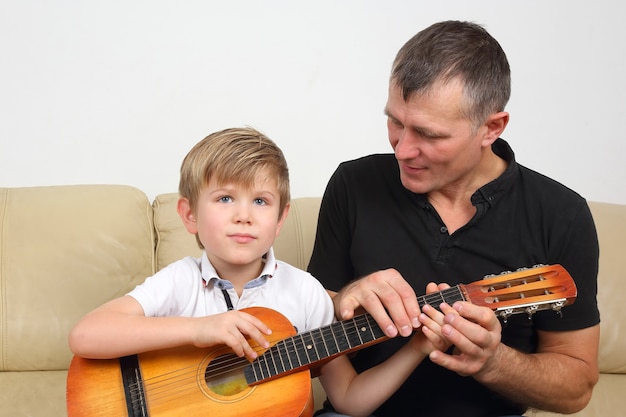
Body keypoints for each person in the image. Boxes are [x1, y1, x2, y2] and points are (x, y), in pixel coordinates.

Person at [308, 20, 600, 417]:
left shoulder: (561, 215)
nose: (402, 150)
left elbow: (576, 390)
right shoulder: (353, 183)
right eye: (396, 121)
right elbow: (307, 311)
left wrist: (494, 361)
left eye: (429, 135)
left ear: (491, 128)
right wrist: (343, 299)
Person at [68, 127, 450, 417]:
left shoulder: (304, 292)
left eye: (261, 201)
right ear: (189, 215)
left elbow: (349, 398)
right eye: (225, 198)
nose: (244, 215)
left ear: (281, 218)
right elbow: (86, 335)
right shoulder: (179, 280)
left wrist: (417, 348)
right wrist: (201, 329)